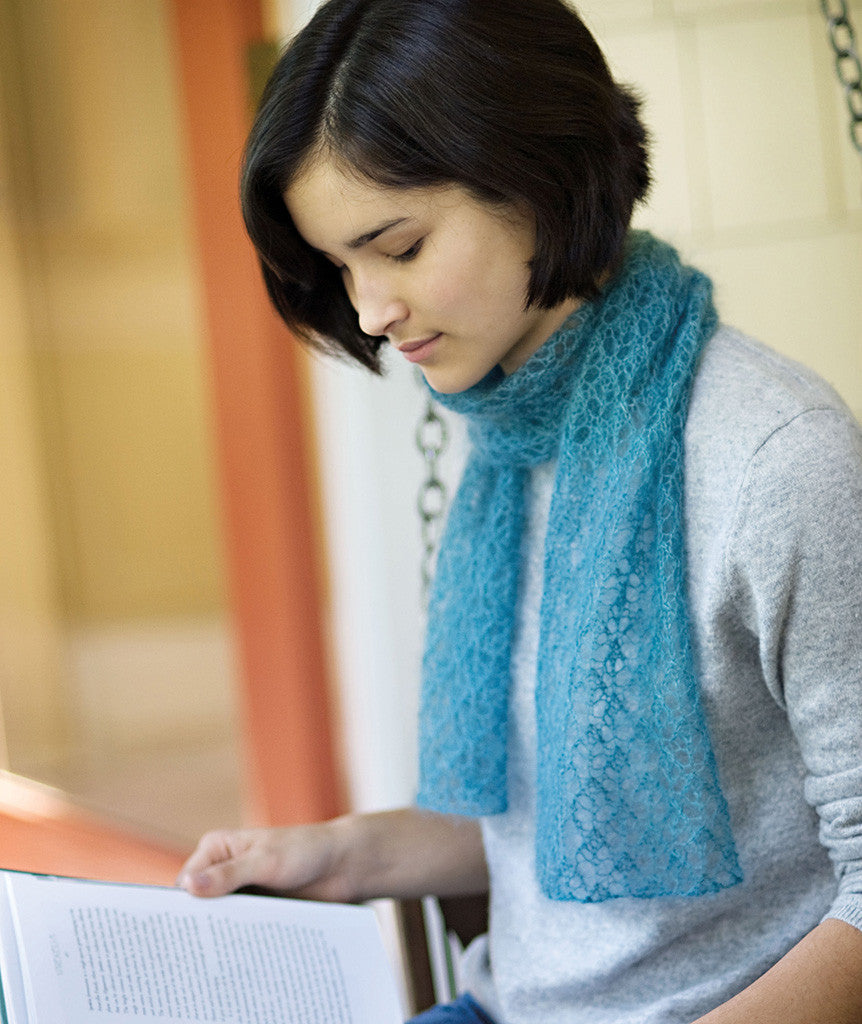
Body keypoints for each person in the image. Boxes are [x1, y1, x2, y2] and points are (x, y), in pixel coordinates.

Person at [177, 0, 862, 1021]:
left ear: (537, 178)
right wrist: (338, 850)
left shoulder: (774, 457)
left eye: (398, 247)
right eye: (339, 267)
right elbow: (554, 827)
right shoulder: (507, 437)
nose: (367, 310)